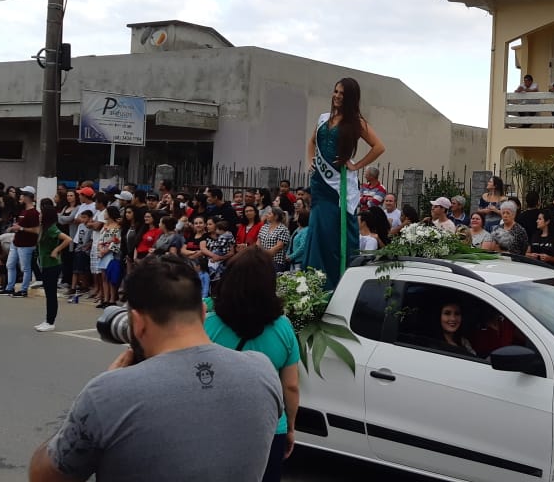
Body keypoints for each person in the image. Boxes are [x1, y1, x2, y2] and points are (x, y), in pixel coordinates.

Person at [29, 255, 283, 481]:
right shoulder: (263, 372)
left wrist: (97, 399)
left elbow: (43, 476)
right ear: (203, 312)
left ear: (137, 323)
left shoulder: (109, 393)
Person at [204, 248, 301, 482]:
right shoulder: (283, 327)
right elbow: (290, 387)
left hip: (213, 426)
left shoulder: (208, 322)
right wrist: (290, 427)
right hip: (268, 428)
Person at [305, 78, 385, 290]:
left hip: (339, 186)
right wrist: (310, 161)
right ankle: (314, 282)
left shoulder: (356, 122)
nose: (337, 96)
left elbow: (379, 147)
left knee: (335, 234)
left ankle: (336, 284)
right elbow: (312, 141)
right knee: (317, 230)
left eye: (342, 93)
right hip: (320, 183)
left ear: (350, 98)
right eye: (335, 91)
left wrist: (357, 165)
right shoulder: (323, 118)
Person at [34, 205, 72, 332]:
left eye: (41, 214)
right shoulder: (44, 228)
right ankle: (47, 320)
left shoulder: (51, 229)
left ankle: (50, 322)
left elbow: (68, 239)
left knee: (51, 294)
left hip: (52, 265)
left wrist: (56, 250)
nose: (39, 216)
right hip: (45, 264)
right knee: (48, 293)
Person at [1, 186, 39, 297]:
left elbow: (37, 230)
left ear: (27, 197)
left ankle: (23, 290)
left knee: (25, 268)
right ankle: (9, 287)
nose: (20, 196)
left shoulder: (33, 213)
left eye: (22, 194)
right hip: (16, 241)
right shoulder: (23, 211)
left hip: (26, 244)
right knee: (10, 264)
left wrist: (21, 228)